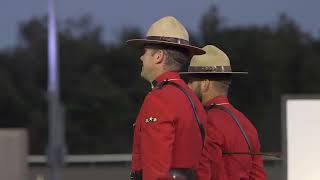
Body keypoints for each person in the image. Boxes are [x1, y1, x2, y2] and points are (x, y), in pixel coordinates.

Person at [126, 16, 208, 180]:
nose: (141, 58)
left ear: (159, 57)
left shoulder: (159, 99)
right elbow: (204, 165)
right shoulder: (192, 98)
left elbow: (156, 170)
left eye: (145, 52)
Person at [180, 45, 266, 180]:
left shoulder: (206, 121)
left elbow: (206, 173)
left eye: (191, 81)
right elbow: (258, 175)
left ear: (205, 84)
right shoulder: (246, 123)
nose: (188, 86)